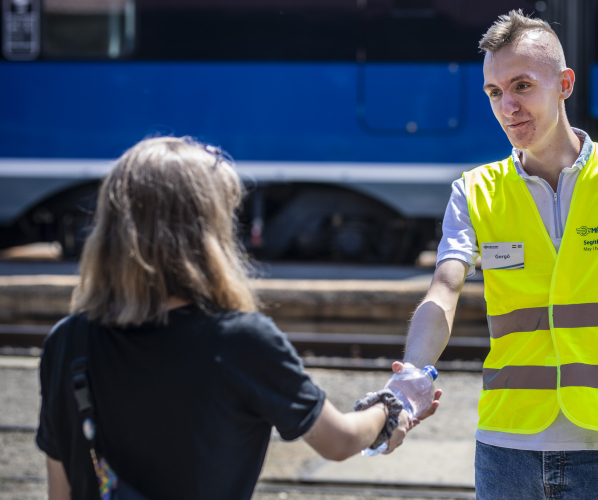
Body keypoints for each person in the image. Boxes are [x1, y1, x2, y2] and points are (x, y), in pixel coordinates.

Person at [398, 10, 598, 500]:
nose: (508, 105)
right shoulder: (473, 191)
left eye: (522, 85)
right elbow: (443, 291)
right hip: (504, 452)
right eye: (494, 92)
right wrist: (414, 372)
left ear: (565, 83)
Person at [36, 137, 432, 500]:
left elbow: (61, 490)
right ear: (205, 232)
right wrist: (393, 403)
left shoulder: (67, 340)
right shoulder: (240, 341)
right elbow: (340, 441)